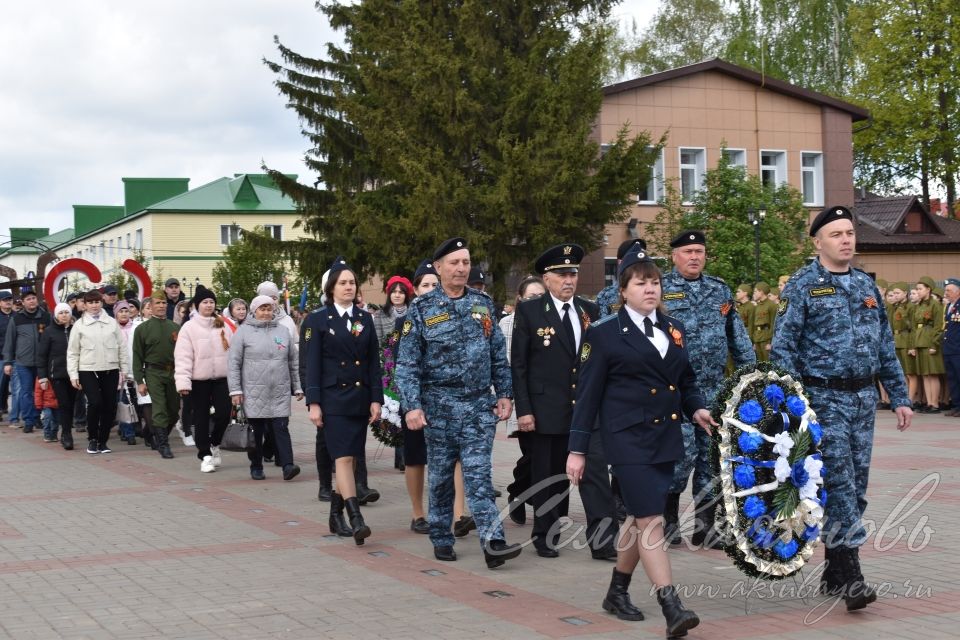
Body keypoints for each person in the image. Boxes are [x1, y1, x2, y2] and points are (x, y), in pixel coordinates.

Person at [566, 245, 712, 635]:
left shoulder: (673, 328)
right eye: (641, 282)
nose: (651, 289)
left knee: (636, 516)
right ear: (624, 290)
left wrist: (696, 407)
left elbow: (686, 379)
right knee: (652, 519)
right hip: (626, 438)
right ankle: (672, 605)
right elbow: (587, 395)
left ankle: (617, 590)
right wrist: (577, 449)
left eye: (655, 282)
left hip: (665, 435)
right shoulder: (605, 334)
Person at [772, 205, 912, 612]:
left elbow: (885, 344)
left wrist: (899, 396)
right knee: (840, 484)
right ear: (818, 242)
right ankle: (852, 576)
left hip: (864, 400)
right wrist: (795, 407)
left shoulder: (866, 287)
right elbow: (783, 348)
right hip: (823, 400)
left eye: (850, 233)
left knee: (857, 483)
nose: (846, 240)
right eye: (836, 234)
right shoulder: (802, 286)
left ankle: (834, 570)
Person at [395, 237, 521, 569]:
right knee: (439, 478)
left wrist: (505, 394)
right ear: (438, 268)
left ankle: (493, 542)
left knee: (479, 475)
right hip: (439, 408)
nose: (462, 268)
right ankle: (440, 534)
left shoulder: (483, 303)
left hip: (479, 407)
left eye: (465, 262)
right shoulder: (421, 310)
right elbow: (407, 364)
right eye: (454, 262)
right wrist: (412, 406)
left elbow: (497, 355)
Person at [511, 244, 617, 560]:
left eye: (572, 273)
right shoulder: (530, 312)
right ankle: (545, 535)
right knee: (550, 477)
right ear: (547, 278)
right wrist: (524, 410)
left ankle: (603, 541)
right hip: (547, 409)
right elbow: (519, 365)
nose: (568, 280)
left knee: (596, 476)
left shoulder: (591, 311)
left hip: (585, 410)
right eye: (561, 274)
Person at [660, 230, 755, 549]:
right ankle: (668, 521)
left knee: (712, 460)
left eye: (699, 250)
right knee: (679, 458)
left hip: (714, 390)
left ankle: (705, 526)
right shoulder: (660, 288)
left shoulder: (719, 290)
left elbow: (737, 337)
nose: (694, 256)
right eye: (687, 251)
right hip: (674, 391)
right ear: (674, 256)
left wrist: (751, 376)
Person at [305, 258, 383, 544]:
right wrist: (313, 402)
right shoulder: (317, 320)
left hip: (359, 400)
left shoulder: (365, 319)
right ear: (331, 288)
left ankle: (334, 515)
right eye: (343, 283)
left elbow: (373, 362)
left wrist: (376, 398)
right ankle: (356, 517)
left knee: (349, 459)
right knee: (344, 458)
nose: (349, 287)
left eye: (352, 282)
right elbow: (311, 364)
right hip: (333, 399)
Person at [228, 295, 302, 481]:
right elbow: (233, 363)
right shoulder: (243, 332)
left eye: (269, 309)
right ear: (254, 311)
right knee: (257, 431)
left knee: (281, 428)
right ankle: (256, 465)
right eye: (262, 309)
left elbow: (293, 361)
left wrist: (298, 386)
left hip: (280, 389)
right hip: (254, 390)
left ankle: (287, 465)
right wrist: (235, 390)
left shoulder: (283, 331)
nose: (266, 312)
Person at [501, 275, 546, 526]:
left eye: (541, 296)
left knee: (546, 456)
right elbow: (507, 364)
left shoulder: (553, 321)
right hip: (522, 401)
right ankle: (518, 492)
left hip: (550, 401)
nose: (536, 301)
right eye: (531, 297)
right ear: (520, 299)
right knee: (531, 454)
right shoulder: (508, 324)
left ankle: (526, 493)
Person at [175, 286, 233, 473]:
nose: (209, 305)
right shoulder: (189, 328)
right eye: (205, 302)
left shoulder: (223, 324)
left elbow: (234, 353)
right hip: (198, 380)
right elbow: (183, 357)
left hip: (222, 378)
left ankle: (215, 442)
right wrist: (183, 382)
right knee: (200, 417)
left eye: (211, 302)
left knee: (225, 413)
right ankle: (205, 454)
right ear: (197, 305)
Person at [67, 289, 128, 454]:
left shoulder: (111, 322)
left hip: (110, 368)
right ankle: (92, 438)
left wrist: (125, 369)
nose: (94, 305)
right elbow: (72, 352)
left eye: (97, 302)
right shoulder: (79, 326)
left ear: (101, 303)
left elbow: (122, 346)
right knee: (95, 403)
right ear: (85, 305)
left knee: (110, 406)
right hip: (88, 370)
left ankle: (103, 441)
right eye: (91, 302)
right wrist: (73, 375)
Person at [132, 291, 181, 459]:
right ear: (150, 306)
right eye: (158, 303)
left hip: (173, 372)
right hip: (153, 372)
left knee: (173, 411)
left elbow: (183, 353)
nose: (161, 306)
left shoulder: (175, 327)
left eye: (164, 303)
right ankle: (163, 445)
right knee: (159, 408)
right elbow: (137, 356)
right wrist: (140, 381)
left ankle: (152, 433)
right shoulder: (142, 329)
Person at [3, 289, 52, 434]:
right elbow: (10, 342)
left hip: (42, 362)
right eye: (28, 299)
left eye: (33, 298)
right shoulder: (16, 319)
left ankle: (38, 418)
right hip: (23, 362)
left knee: (41, 391)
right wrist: (7, 362)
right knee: (26, 393)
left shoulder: (45, 316)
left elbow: (51, 338)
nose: (31, 301)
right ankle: (28, 421)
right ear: (23, 303)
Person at [37, 303, 75, 448]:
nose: (64, 315)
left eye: (67, 312)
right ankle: (66, 434)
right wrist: (42, 376)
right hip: (57, 374)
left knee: (71, 404)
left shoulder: (76, 329)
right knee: (64, 404)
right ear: (56, 315)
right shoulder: (49, 331)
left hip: (75, 374)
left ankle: (67, 428)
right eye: (61, 313)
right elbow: (42, 355)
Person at [912, 276, 944, 413]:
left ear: (928, 289)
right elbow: (914, 327)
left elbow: (938, 326)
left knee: (932, 374)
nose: (918, 291)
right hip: (920, 341)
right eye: (917, 289)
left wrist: (934, 344)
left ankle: (935, 403)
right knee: (924, 374)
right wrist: (913, 345)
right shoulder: (918, 305)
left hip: (929, 340)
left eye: (920, 289)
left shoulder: (935, 304)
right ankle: (929, 402)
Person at [596, 239, 646, 319]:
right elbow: (600, 326)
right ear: (620, 262)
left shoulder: (652, 292)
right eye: (633, 259)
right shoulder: (606, 295)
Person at [113, 300, 139, 445]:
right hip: (119, 371)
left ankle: (127, 428)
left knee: (133, 401)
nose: (124, 314)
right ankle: (128, 432)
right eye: (121, 311)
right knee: (123, 401)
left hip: (133, 370)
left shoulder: (135, 328)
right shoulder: (112, 329)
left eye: (126, 311)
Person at [374, 276, 413, 343]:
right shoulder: (379, 314)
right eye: (394, 292)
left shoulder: (413, 312)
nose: (397, 295)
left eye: (401, 292)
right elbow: (378, 341)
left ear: (406, 295)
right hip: (389, 352)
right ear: (389, 294)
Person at [943, 278, 960, 416]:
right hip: (949, 348)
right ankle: (956, 405)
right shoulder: (949, 306)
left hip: (958, 349)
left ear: (958, 291)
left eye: (949, 290)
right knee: (952, 378)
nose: (946, 293)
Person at [750, 282, 777, 362]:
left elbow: (774, 324)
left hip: (766, 339)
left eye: (755, 291)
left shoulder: (772, 305)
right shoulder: (757, 306)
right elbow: (754, 324)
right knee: (760, 364)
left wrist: (770, 342)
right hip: (758, 338)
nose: (754, 293)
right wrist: (754, 341)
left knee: (768, 363)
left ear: (761, 292)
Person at [0, 291, 13, 423]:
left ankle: (13, 413)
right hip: (1, 356)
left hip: (17, 356)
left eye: (9, 299)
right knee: (1, 384)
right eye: (5, 300)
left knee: (16, 387)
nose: (8, 301)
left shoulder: (17, 316)